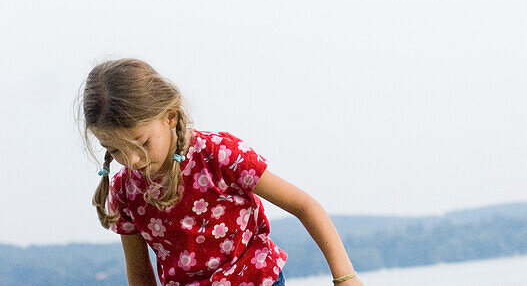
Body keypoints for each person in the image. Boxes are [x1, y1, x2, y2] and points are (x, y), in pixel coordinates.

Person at [80, 58, 366, 286]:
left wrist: (345, 276)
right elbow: (140, 276)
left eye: (142, 143)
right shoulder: (124, 191)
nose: (132, 160)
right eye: (114, 150)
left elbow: (304, 206)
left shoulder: (219, 155)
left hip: (257, 280)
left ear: (169, 117)